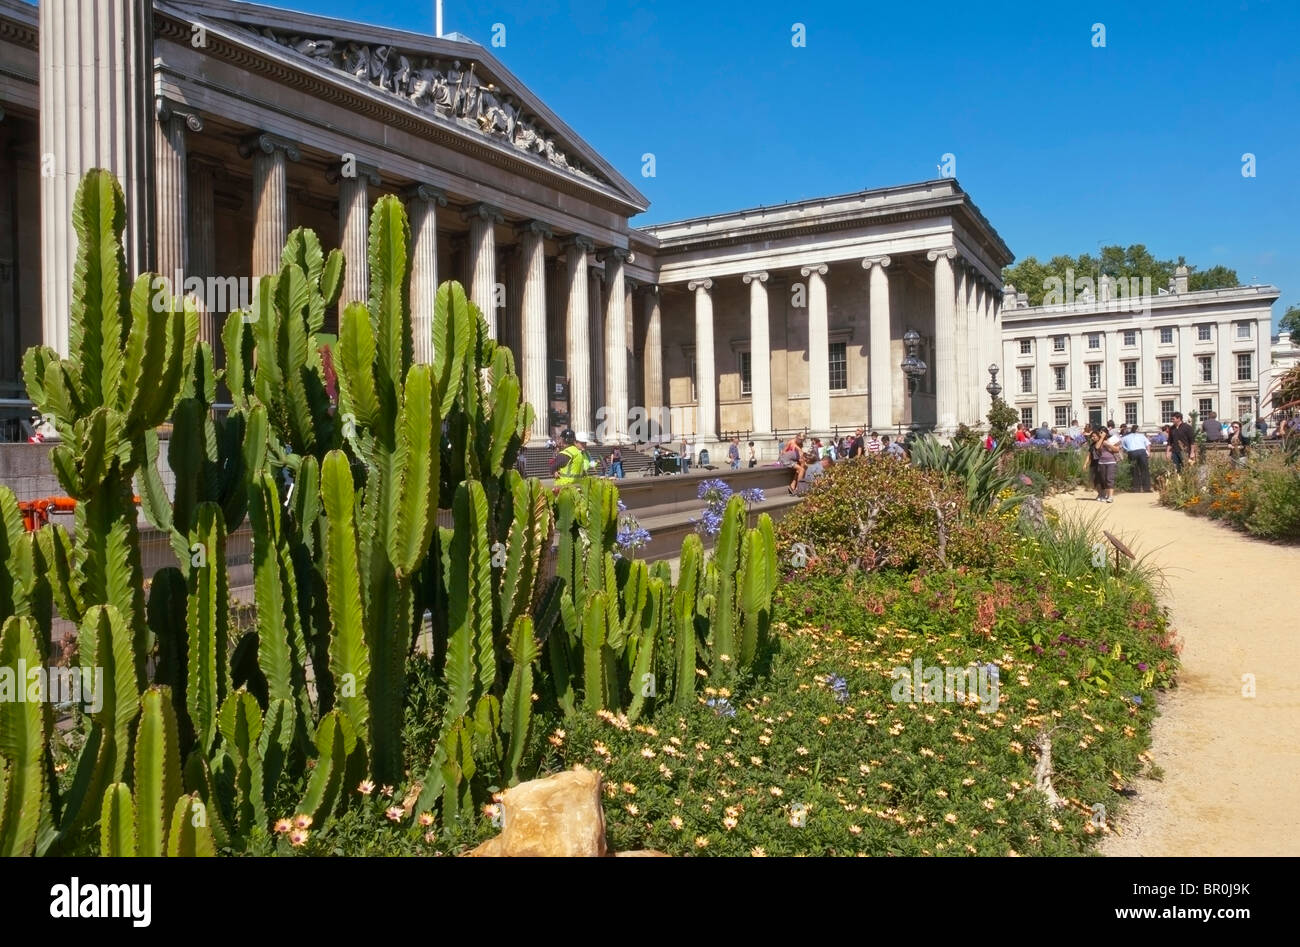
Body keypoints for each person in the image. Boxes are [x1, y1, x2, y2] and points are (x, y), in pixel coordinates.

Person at [1120, 425, 1152, 493]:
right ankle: (1146, 488)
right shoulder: (1142, 436)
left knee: (1134, 470)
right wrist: (1148, 452)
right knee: (1145, 470)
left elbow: (1122, 446)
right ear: (1137, 430)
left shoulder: (1125, 437)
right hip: (1142, 451)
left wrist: (1126, 451)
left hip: (1132, 452)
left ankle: (1136, 488)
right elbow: (1148, 444)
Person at [1095, 427, 1120, 502]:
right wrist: (1102, 438)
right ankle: (1106, 494)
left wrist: (1108, 445)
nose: (1100, 434)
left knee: (1109, 478)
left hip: (1111, 461)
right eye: (1100, 432)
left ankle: (1111, 496)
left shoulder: (1112, 439)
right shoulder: (1100, 440)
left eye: (1102, 432)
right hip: (1102, 462)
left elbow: (1117, 449)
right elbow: (1097, 447)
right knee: (1103, 479)